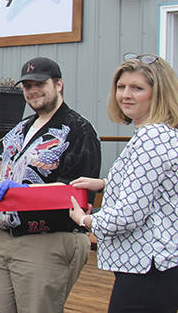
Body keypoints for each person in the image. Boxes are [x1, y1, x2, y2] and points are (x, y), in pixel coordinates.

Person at [0, 57, 101, 313]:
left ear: (59, 84)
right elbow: (2, 180)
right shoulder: (18, 130)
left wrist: (31, 194)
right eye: (27, 85)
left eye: (40, 83)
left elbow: (79, 193)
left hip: (48, 238)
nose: (33, 90)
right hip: (4, 236)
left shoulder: (78, 129)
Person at [68, 54, 178, 312]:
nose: (125, 95)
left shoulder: (150, 138)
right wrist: (105, 183)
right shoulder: (163, 133)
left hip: (148, 269)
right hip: (159, 265)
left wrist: (85, 220)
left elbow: (128, 215)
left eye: (137, 88)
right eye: (121, 87)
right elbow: (155, 185)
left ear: (158, 94)